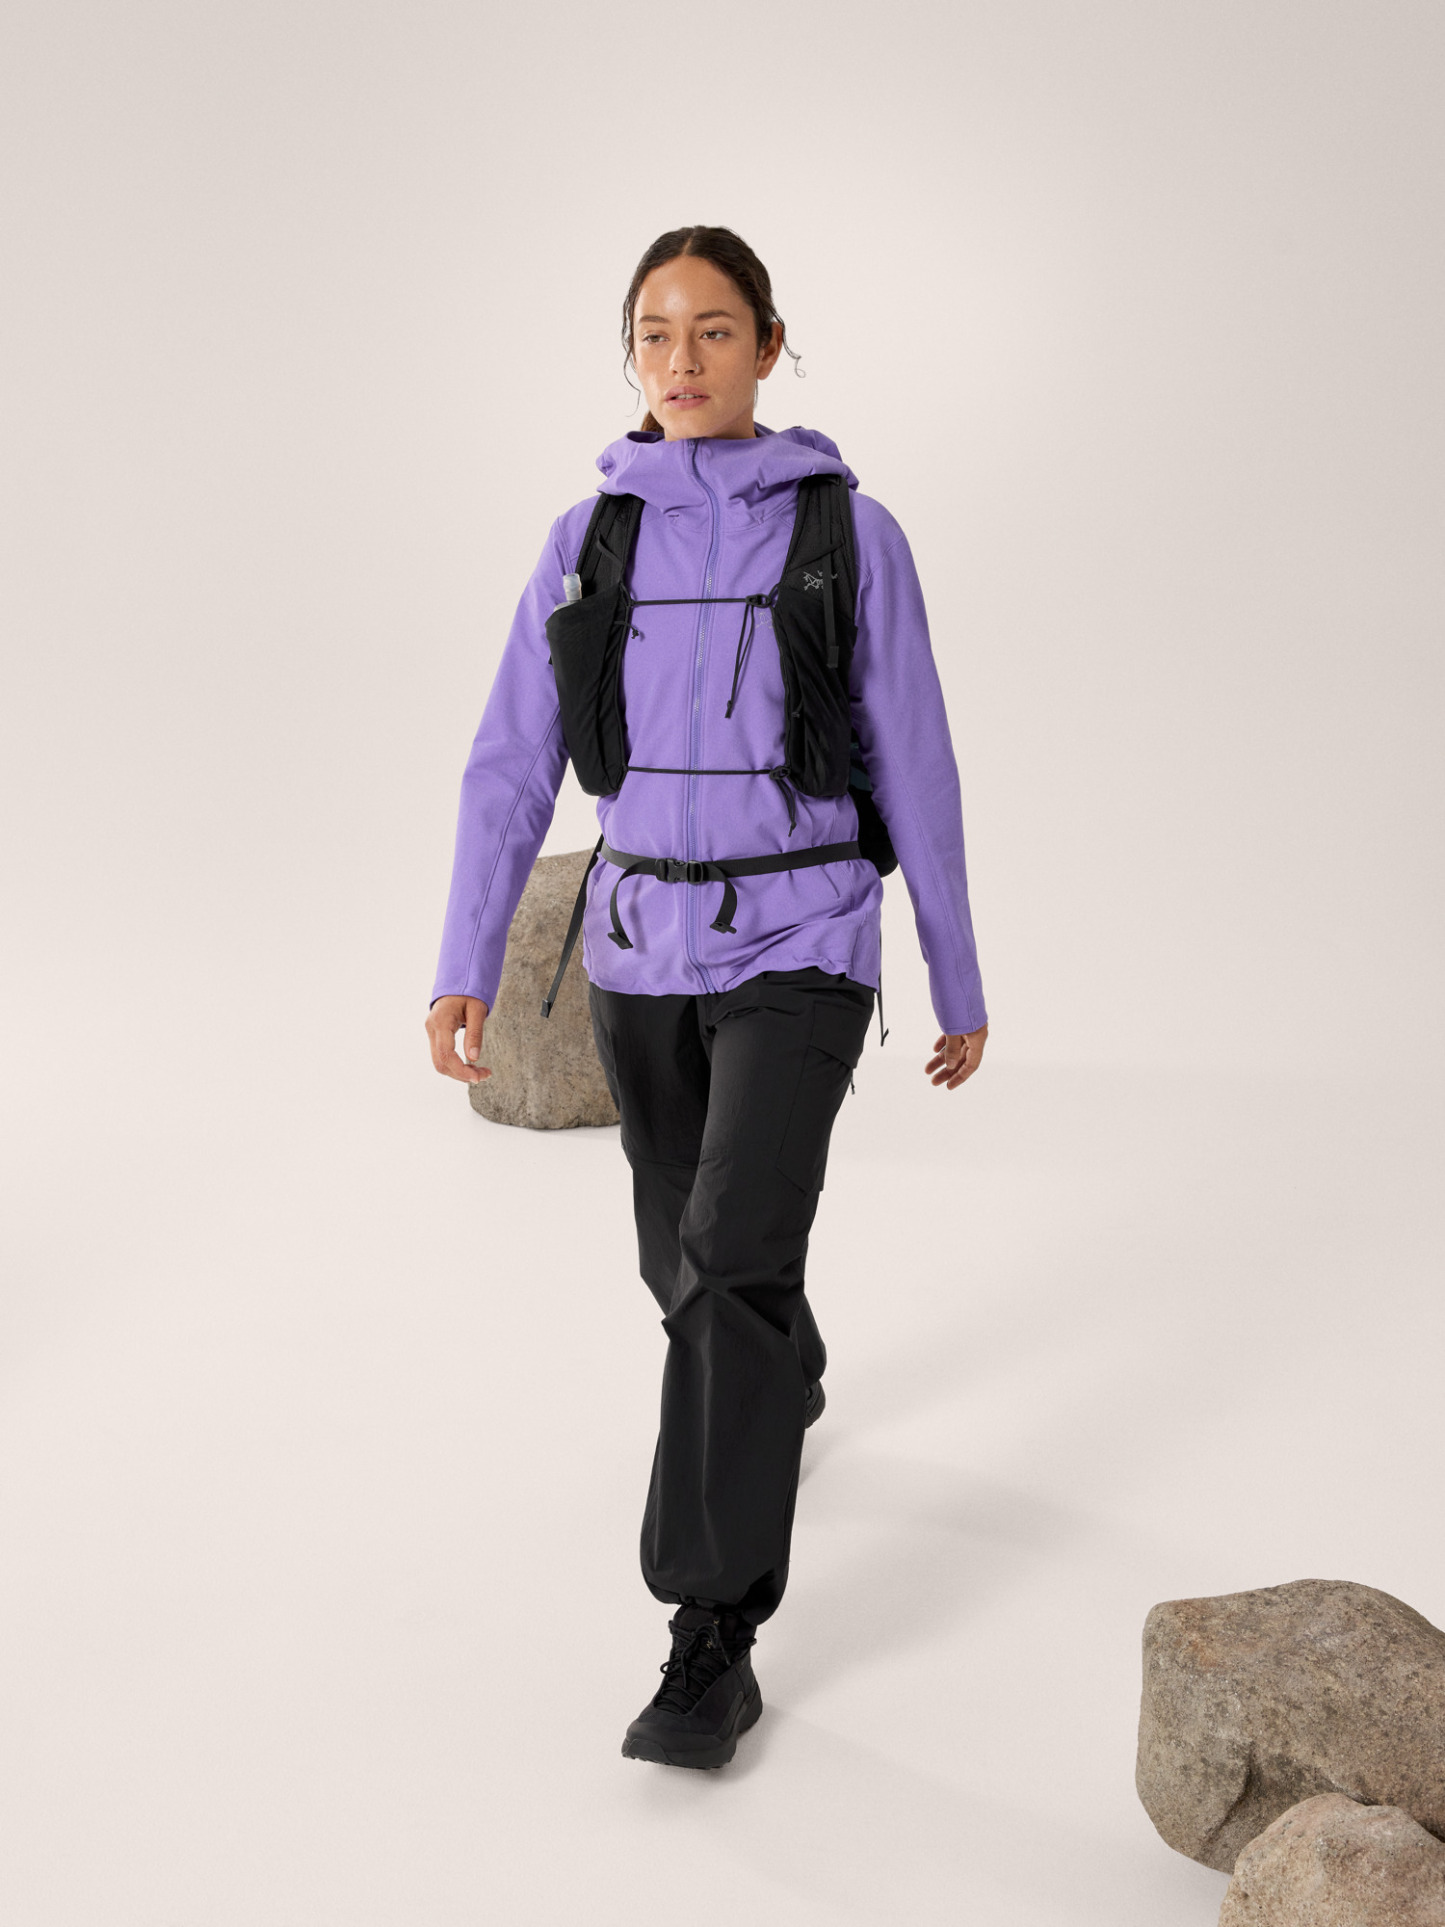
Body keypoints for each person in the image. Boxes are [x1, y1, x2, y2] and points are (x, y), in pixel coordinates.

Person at [426, 225, 988, 1770]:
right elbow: (509, 763)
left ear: (769, 345)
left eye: (715, 330)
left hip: (803, 935)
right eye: (655, 333)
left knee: (733, 1254)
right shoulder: (585, 538)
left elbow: (917, 758)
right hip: (637, 945)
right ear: (630, 354)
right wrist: (465, 962)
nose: (682, 360)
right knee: (684, 1262)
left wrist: (952, 965)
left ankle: (709, 1634)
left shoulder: (847, 533)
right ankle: (781, 1376)